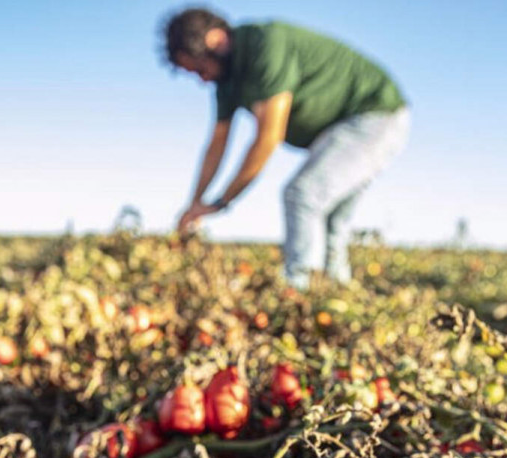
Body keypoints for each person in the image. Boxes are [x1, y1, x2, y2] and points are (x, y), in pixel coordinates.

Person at [163, 8, 409, 290]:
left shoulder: (265, 44)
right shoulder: (226, 82)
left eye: (199, 68)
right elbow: (217, 144)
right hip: (337, 131)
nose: (202, 79)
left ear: (215, 40)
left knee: (303, 194)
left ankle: (297, 290)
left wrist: (222, 202)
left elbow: (268, 138)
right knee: (331, 219)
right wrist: (195, 204)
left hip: (373, 115)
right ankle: (335, 293)